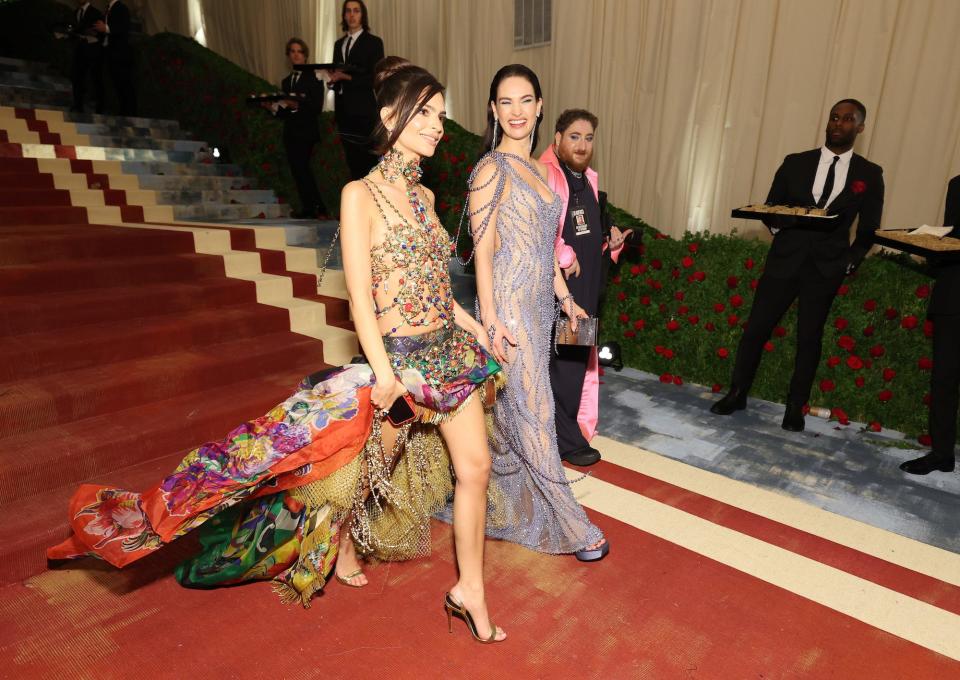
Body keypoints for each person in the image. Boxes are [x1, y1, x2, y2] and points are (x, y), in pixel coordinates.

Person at [49, 58, 506, 643]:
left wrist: (477, 327)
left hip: (450, 353)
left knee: (477, 468)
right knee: (370, 472)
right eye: (425, 114)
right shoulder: (359, 195)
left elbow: (439, 287)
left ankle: (470, 589)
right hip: (402, 363)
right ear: (391, 117)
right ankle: (338, 543)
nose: (438, 125)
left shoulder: (427, 200)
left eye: (441, 115)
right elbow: (360, 299)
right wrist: (386, 374)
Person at [464, 64, 609, 562]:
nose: (517, 112)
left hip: (542, 308)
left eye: (526, 100)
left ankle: (503, 501)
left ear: (541, 105)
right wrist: (489, 320)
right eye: (506, 102)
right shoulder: (490, 169)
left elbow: (546, 250)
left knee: (520, 417)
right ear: (493, 110)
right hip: (508, 306)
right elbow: (483, 252)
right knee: (538, 414)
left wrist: (565, 298)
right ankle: (574, 525)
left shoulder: (543, 172)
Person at [711, 99, 885, 432]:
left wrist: (850, 260)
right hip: (785, 260)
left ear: (859, 128)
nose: (838, 123)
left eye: (847, 119)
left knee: (809, 338)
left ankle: (795, 407)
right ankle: (737, 392)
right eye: (834, 116)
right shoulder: (796, 162)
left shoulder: (869, 174)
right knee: (756, 329)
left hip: (826, 267)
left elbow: (868, 229)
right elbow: (771, 206)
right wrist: (781, 228)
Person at [540, 109, 632, 466]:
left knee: (575, 363)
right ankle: (566, 441)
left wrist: (609, 241)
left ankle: (565, 431)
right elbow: (539, 230)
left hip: (588, 287)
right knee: (565, 364)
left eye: (589, 138)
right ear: (558, 137)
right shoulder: (547, 175)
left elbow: (585, 229)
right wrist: (562, 255)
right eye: (574, 136)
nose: (582, 145)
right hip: (564, 292)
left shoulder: (586, 178)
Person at [901, 175, 960, 475]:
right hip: (954, 295)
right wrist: (927, 243)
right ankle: (941, 453)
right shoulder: (958, 184)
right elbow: (952, 239)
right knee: (944, 379)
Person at [267, 38, 328, 219]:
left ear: (305, 56)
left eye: (299, 51)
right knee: (297, 170)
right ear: (288, 55)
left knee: (303, 168)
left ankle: (319, 208)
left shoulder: (314, 76)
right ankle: (310, 208)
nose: (296, 54)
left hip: (307, 130)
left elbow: (317, 106)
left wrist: (296, 106)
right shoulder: (286, 81)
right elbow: (285, 112)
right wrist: (272, 109)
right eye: (292, 51)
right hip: (291, 132)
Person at [329, 0, 384, 180]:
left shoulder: (374, 42)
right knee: (352, 162)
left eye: (356, 11)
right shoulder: (339, 44)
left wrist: (347, 78)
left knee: (368, 162)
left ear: (363, 15)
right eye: (348, 11)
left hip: (364, 112)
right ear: (344, 15)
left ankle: (371, 205)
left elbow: (376, 77)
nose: (352, 15)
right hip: (343, 112)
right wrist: (332, 82)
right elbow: (337, 76)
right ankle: (357, 205)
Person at [93, 0, 136, 116]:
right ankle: (124, 112)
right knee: (118, 85)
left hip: (120, 55)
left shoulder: (121, 8)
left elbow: (123, 27)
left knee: (124, 85)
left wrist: (106, 28)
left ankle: (129, 114)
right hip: (111, 53)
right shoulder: (108, 8)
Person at [70, 0, 104, 114]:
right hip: (78, 51)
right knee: (77, 78)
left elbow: (99, 33)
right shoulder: (75, 13)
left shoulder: (96, 13)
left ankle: (99, 108)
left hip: (92, 52)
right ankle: (77, 105)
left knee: (95, 79)